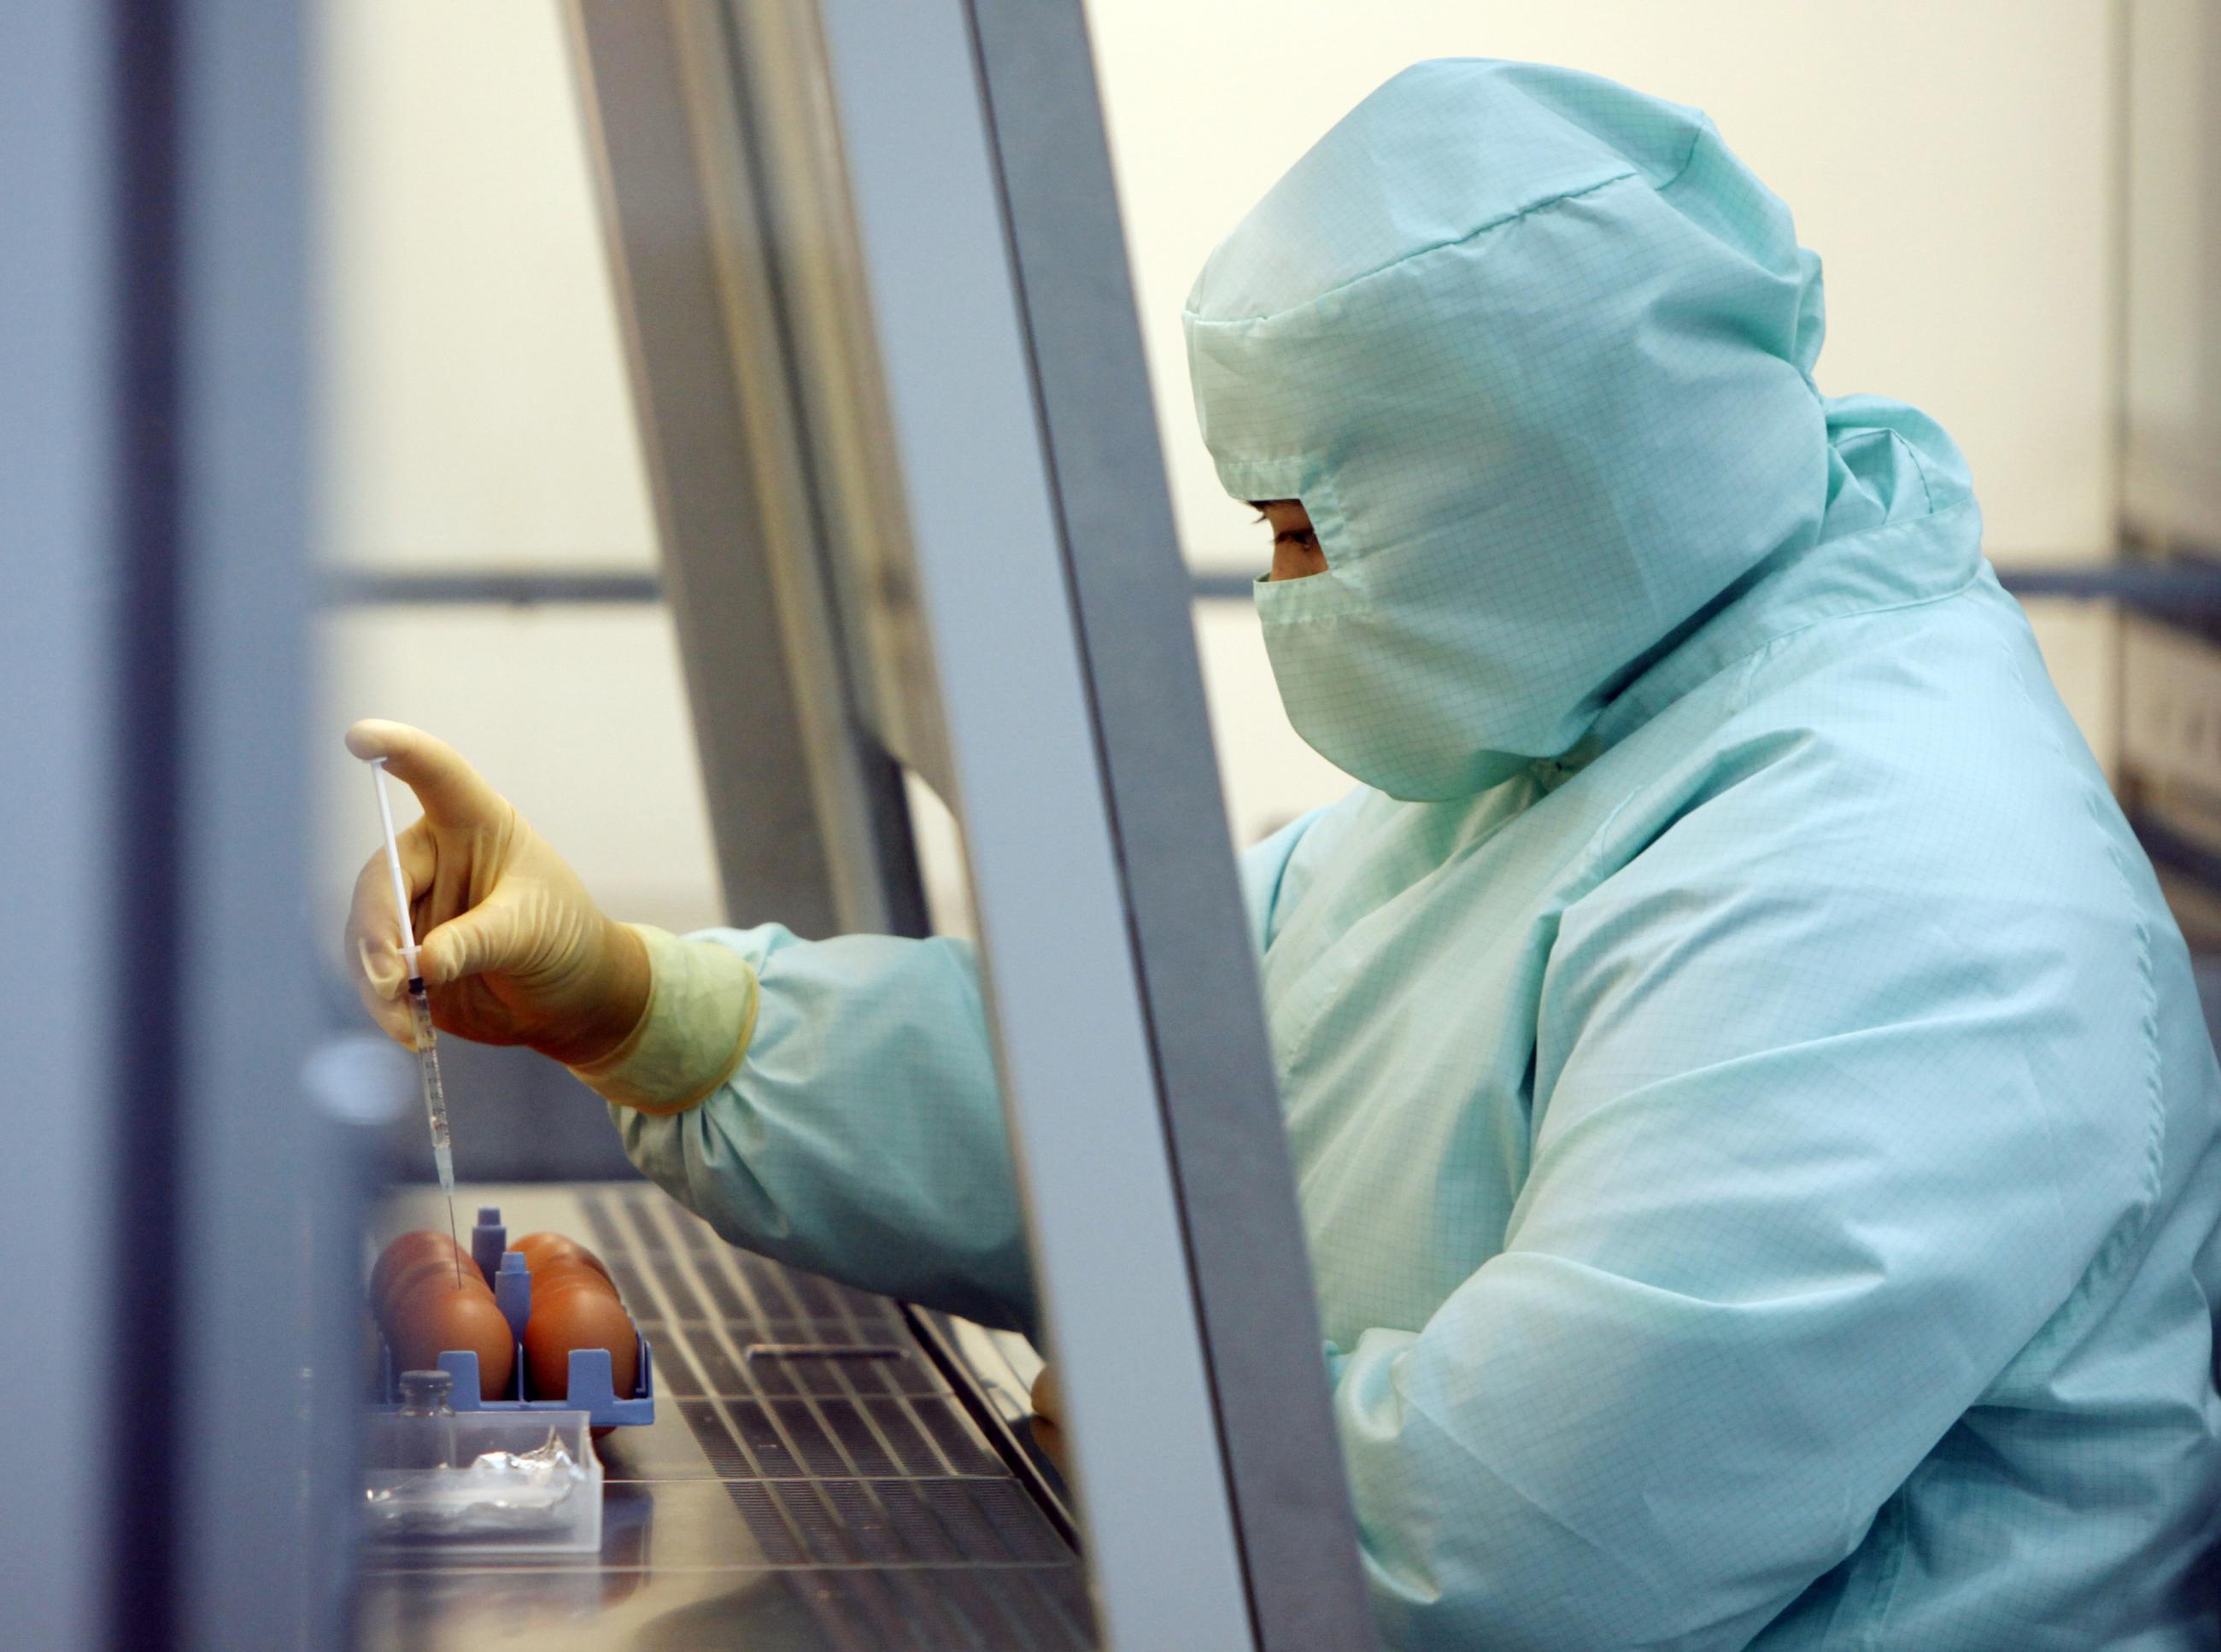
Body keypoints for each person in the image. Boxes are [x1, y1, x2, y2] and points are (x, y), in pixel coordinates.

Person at [348, 59, 2221, 1650]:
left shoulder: (1902, 893)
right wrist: (647, 1001)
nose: (1276, 593)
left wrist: (1161, 1428)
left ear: (1542, 486)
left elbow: (1520, 1551)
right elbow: (1177, 1086)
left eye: (1308, 526)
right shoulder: (1573, 725)